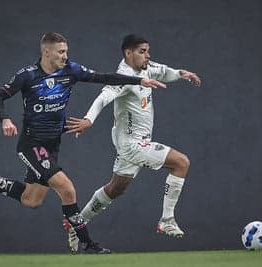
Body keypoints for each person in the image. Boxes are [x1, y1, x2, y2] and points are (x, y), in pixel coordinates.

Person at [0, 32, 165, 254]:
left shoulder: (70, 70)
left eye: (66, 51)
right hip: (32, 144)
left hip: (51, 146)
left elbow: (104, 77)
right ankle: (88, 244)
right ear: (46, 52)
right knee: (67, 189)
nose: (65, 56)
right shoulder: (28, 75)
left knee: (31, 199)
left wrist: (139, 80)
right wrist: (5, 118)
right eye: (61, 52)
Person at [66, 34, 201, 239]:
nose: (147, 55)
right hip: (133, 145)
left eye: (147, 51)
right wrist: (88, 120)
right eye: (142, 51)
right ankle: (167, 220)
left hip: (130, 143)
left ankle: (77, 224)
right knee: (181, 163)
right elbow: (103, 98)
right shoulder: (123, 77)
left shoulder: (146, 68)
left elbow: (164, 72)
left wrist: (182, 73)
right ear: (128, 53)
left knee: (115, 189)